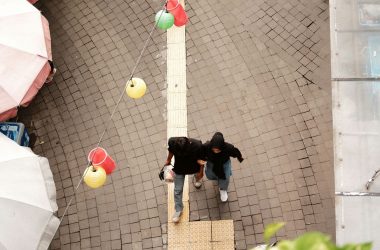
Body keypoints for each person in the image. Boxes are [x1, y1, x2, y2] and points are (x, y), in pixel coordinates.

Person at [165, 137, 205, 223]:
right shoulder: (172, 142)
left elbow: (201, 161)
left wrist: (201, 172)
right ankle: (178, 209)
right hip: (179, 169)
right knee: (177, 190)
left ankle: (197, 179)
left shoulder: (197, 145)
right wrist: (168, 159)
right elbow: (171, 151)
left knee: (197, 175)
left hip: (193, 167)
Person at [203, 132, 244, 202]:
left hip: (224, 164)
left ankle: (223, 189)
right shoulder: (207, 146)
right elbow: (201, 152)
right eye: (214, 149)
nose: (216, 151)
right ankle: (218, 180)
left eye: (218, 150)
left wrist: (239, 157)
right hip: (212, 164)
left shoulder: (228, 148)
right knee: (210, 175)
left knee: (225, 178)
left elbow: (236, 153)